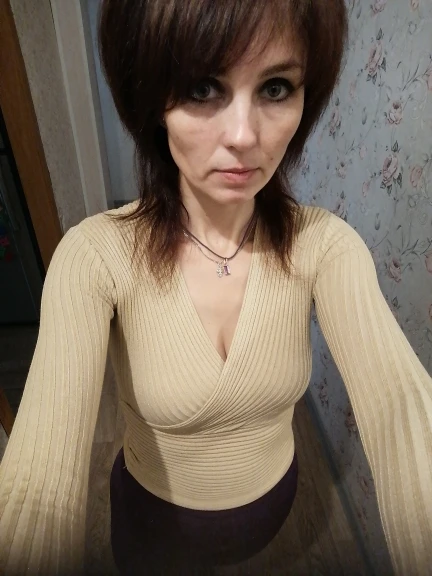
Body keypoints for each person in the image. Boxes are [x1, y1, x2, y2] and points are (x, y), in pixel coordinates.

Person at [1, 0, 431, 574]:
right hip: (152, 525)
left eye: (276, 87)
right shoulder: (95, 256)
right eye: (202, 88)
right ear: (152, 99)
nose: (244, 136)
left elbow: (401, 406)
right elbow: (38, 483)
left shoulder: (324, 246)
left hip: (273, 510)